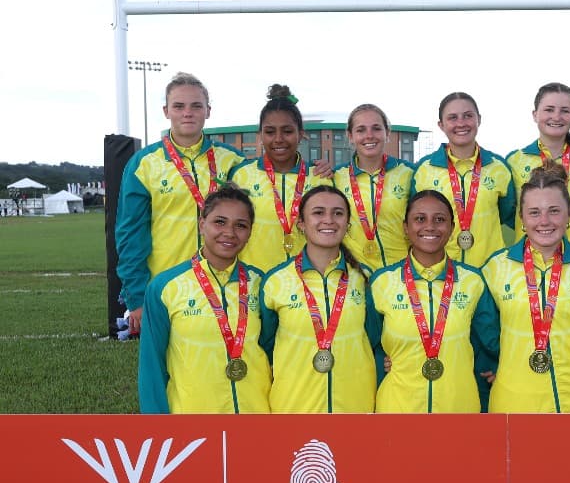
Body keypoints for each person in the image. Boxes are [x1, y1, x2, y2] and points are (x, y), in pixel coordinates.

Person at [116, 72, 244, 335]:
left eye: (196, 105)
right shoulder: (144, 164)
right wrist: (137, 298)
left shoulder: (232, 160)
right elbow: (130, 235)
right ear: (166, 111)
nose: (188, 113)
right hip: (167, 285)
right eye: (179, 106)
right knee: (168, 372)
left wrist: (317, 168)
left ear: (208, 111)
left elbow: (273, 183)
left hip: (225, 282)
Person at [480, 160, 570, 413]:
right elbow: (479, 331)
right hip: (515, 403)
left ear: (569, 213)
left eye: (554, 211)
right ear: (522, 217)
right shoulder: (494, 268)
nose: (545, 221)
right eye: (534, 212)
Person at [138, 184, 270, 414]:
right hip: (192, 421)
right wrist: (156, 425)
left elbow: (272, 353)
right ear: (202, 225)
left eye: (241, 225)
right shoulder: (165, 286)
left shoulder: (262, 284)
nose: (229, 232)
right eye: (219, 222)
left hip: (256, 416)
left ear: (249, 233)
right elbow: (152, 366)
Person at [367, 190, 499, 413]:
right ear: (405, 228)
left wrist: (496, 368)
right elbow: (368, 343)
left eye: (440, 220)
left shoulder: (473, 281)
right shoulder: (382, 281)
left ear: (452, 227)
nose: (430, 226)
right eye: (420, 219)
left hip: (459, 408)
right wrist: (384, 363)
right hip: (397, 409)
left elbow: (490, 343)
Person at [259, 186, 377, 413]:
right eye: (318, 212)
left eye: (338, 213)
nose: (329, 220)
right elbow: (265, 346)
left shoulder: (366, 279)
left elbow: (374, 341)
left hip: (356, 408)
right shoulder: (275, 281)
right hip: (293, 409)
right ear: (301, 224)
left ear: (347, 223)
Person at [229, 84, 334, 273]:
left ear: (300, 134)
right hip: (253, 281)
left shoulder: (320, 177)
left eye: (287, 131)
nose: (278, 139)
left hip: (306, 283)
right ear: (260, 135)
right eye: (270, 132)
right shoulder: (241, 175)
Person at [410, 92, 515, 267]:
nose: (461, 123)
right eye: (452, 117)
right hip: (442, 271)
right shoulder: (424, 169)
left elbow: (507, 214)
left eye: (468, 116)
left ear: (478, 119)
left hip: (490, 270)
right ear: (441, 125)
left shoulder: (498, 167)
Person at [506, 82, 570, 252]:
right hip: (529, 261)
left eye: (565, 111)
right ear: (535, 115)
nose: (557, 117)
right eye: (549, 110)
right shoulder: (515, 161)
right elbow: (508, 212)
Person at [332, 103, 415, 272]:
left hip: (401, 274)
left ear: (387, 133)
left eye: (376, 128)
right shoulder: (335, 177)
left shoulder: (409, 173)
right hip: (354, 275)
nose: (369, 136)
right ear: (350, 136)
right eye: (361, 130)